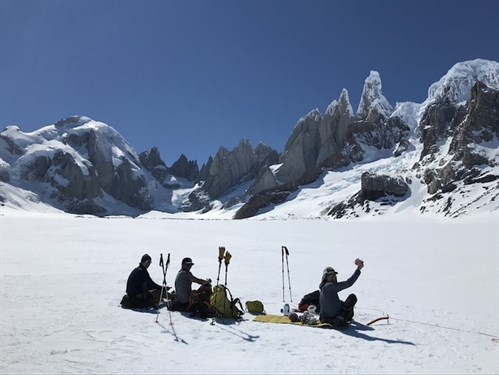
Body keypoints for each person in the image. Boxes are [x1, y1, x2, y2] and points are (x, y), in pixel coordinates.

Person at [319, 258, 364, 326]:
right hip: (335, 319)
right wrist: (358, 269)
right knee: (352, 298)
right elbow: (349, 283)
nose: (333, 277)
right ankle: (342, 317)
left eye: (334, 275)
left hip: (324, 319)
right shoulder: (329, 286)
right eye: (330, 275)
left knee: (341, 302)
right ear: (325, 277)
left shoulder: (322, 287)